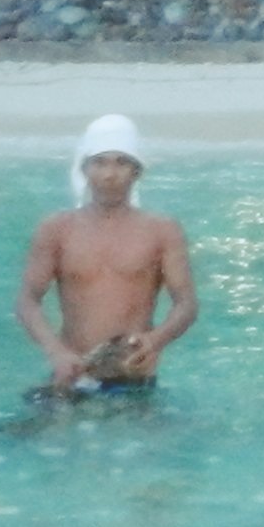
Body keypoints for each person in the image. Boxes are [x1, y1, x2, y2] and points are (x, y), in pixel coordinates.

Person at [15, 113, 198, 396]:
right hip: (71, 375)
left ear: (137, 171)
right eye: (99, 163)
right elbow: (28, 301)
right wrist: (56, 352)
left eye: (121, 162)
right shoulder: (56, 229)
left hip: (133, 376)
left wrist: (155, 341)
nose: (110, 174)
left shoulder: (162, 231)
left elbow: (186, 304)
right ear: (84, 169)